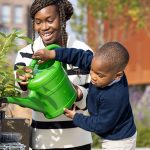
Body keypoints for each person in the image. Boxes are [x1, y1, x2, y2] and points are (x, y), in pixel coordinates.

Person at [14, 0, 93, 149]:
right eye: (38, 22)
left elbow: (95, 100)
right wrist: (22, 84)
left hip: (79, 142)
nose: (43, 27)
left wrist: (78, 93)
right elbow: (21, 98)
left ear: (62, 19)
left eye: (50, 20)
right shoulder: (25, 55)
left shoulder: (83, 52)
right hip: (42, 143)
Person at [32, 41, 137, 150]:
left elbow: (100, 125)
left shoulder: (114, 97)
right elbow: (77, 56)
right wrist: (52, 54)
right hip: (111, 133)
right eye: (92, 70)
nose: (93, 77)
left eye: (100, 75)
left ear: (117, 75)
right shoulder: (101, 66)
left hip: (119, 140)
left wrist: (76, 117)